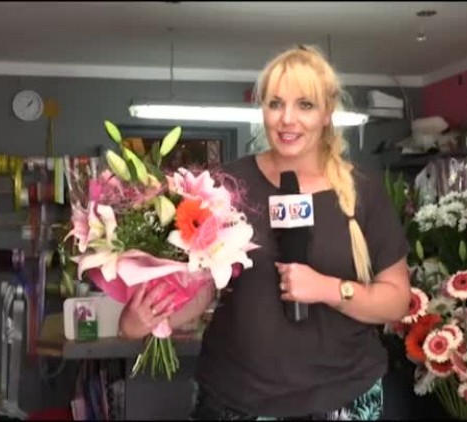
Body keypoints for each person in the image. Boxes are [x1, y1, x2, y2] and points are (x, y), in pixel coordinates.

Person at [118, 44, 411, 420]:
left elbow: (396, 300)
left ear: (326, 113)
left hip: (342, 395)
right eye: (275, 104)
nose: (287, 119)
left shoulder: (363, 192)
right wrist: (150, 319)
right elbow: (205, 286)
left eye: (305, 105)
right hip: (234, 397)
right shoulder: (225, 185)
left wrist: (328, 289)